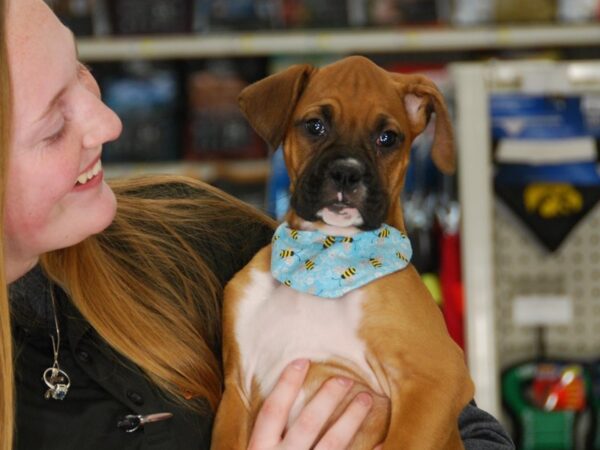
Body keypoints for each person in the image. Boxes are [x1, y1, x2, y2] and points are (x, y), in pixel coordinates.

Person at [1, 0, 515, 448]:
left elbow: (463, 417)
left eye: (81, 70)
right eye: (52, 125)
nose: (108, 121)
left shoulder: (204, 234)